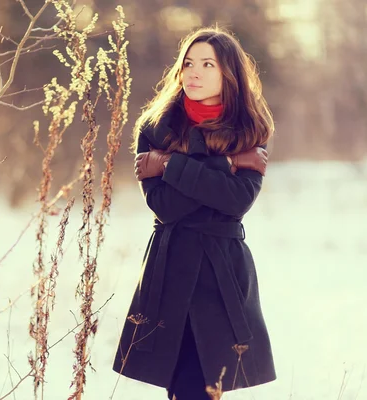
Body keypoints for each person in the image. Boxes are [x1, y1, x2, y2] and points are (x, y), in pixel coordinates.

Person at [112, 27, 276, 400]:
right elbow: (166, 207)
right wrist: (227, 165)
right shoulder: (155, 128)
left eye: (207, 64)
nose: (194, 72)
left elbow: (236, 202)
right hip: (171, 269)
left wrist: (169, 166)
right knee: (183, 388)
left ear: (228, 74)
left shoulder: (250, 129)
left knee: (208, 387)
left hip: (222, 276)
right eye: (188, 63)